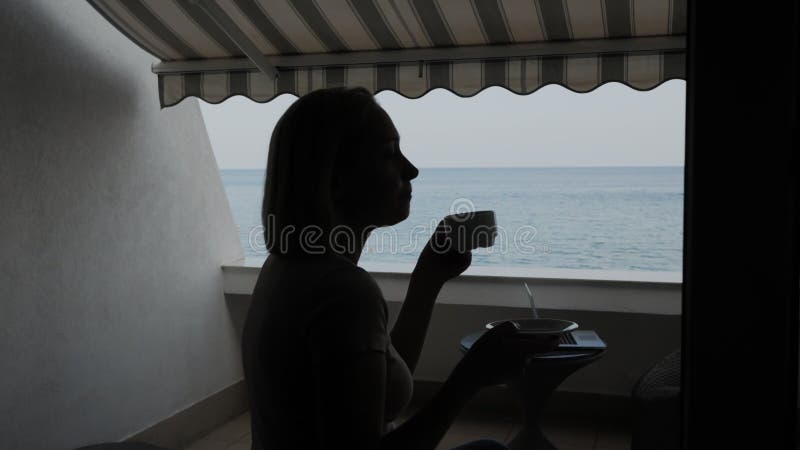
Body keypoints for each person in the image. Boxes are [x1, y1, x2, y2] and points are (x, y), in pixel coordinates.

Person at [241, 87, 556, 450]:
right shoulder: (342, 292)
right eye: (390, 153)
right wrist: (469, 378)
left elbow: (378, 383)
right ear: (335, 179)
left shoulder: (284, 269)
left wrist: (428, 278)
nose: (411, 169)